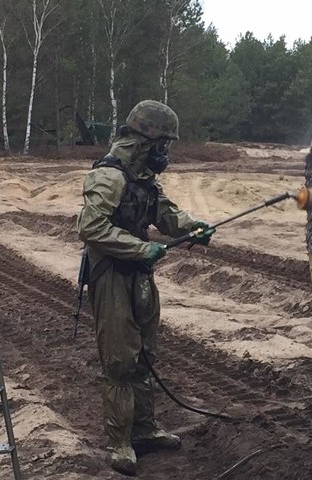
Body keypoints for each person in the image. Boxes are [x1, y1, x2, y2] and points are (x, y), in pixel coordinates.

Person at [76, 100, 214, 476]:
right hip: (113, 277)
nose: (166, 153)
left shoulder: (142, 178)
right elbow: (89, 228)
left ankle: (145, 428)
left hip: (139, 276)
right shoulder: (110, 176)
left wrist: (192, 227)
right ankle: (120, 441)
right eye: (163, 145)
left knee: (144, 354)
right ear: (145, 141)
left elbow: (163, 212)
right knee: (120, 361)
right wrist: (140, 248)